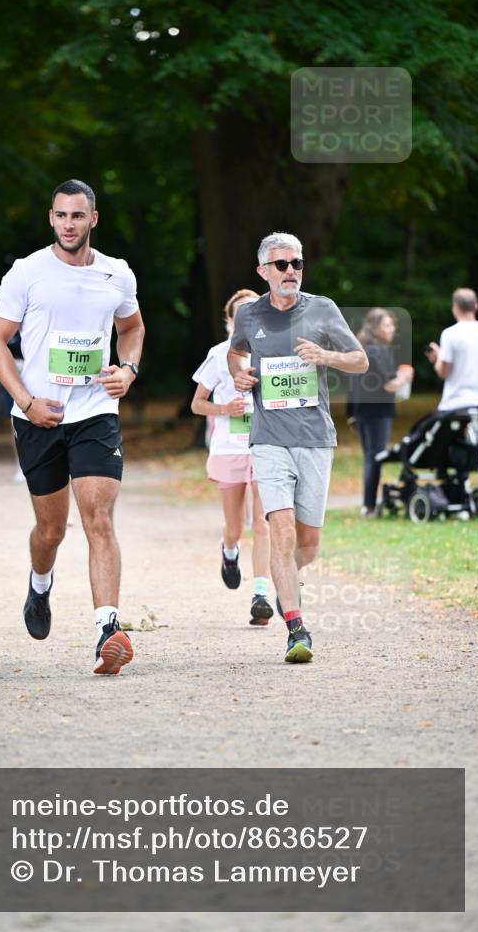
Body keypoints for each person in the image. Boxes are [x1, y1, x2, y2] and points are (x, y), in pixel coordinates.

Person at [0, 179, 145, 675]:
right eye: (61, 216)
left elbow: (132, 328)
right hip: (40, 417)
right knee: (51, 530)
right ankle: (39, 583)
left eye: (78, 215)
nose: (69, 224)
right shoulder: (27, 273)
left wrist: (128, 370)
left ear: (93, 219)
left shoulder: (117, 274)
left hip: (95, 411)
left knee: (99, 518)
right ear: (51, 218)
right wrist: (27, 402)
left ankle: (107, 629)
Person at [227, 232, 368, 664]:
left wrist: (325, 357)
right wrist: (240, 375)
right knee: (281, 532)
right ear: (263, 272)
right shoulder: (249, 315)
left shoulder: (322, 308)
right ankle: (295, 627)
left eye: (297, 264)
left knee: (307, 544)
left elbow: (360, 360)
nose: (291, 272)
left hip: (316, 438)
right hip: (269, 437)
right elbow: (235, 355)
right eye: (282, 265)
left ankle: (284, 578)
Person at [191, 289, 274, 625]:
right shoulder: (218, 355)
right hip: (229, 447)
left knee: (263, 524)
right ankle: (229, 552)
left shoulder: (271, 352)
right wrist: (224, 408)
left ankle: (261, 595)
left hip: (266, 447)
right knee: (236, 527)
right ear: (229, 321)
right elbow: (197, 404)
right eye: (240, 315)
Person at [349, 308, 414, 516]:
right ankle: (369, 506)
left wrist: (351, 415)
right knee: (375, 458)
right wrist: (406, 375)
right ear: (375, 327)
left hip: (361, 412)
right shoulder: (378, 350)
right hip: (378, 412)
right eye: (387, 325)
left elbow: (353, 385)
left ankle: (368, 504)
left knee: (370, 457)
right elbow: (390, 385)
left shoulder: (361, 349)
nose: (392, 329)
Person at [426, 287, 478, 486]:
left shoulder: (450, 334)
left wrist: (437, 359)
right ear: (476, 306)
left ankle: (461, 488)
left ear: (455, 308)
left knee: (456, 447)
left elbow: (444, 371)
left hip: (456, 403)